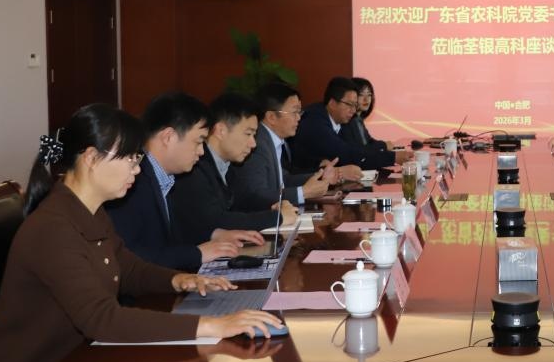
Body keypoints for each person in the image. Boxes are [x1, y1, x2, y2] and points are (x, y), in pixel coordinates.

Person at [0, 104, 281, 362]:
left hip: (81, 361)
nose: (137, 170)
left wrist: (178, 280)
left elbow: (126, 267)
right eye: (130, 159)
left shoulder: (88, 211)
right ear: (91, 158)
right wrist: (215, 325)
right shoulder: (53, 228)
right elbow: (102, 319)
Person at [107, 92, 263, 270]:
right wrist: (197, 254)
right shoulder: (131, 182)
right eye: (198, 141)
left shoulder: (166, 177)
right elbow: (130, 257)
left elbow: (175, 235)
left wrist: (215, 235)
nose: (201, 152)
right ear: (168, 137)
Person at [169, 93, 299, 244]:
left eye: (254, 135)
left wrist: (272, 209)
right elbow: (215, 221)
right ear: (221, 130)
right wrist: (277, 217)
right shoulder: (194, 167)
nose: (253, 144)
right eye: (248, 134)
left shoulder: (230, 166)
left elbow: (240, 206)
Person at [229, 82, 343, 212]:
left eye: (299, 112)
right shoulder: (257, 144)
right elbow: (256, 195)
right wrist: (303, 192)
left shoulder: (271, 140)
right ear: (272, 117)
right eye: (294, 112)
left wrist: (320, 176)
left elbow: (283, 181)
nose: (298, 118)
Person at [291, 77, 411, 171]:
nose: (353, 111)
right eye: (349, 105)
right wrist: (393, 157)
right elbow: (347, 154)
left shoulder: (337, 120)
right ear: (332, 103)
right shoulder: (315, 121)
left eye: (355, 105)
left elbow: (356, 148)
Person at [347, 77, 389, 151]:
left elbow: (369, 142)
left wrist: (386, 145)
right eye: (361, 94)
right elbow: (362, 150)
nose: (366, 99)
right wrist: (384, 145)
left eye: (369, 94)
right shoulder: (349, 121)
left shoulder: (358, 120)